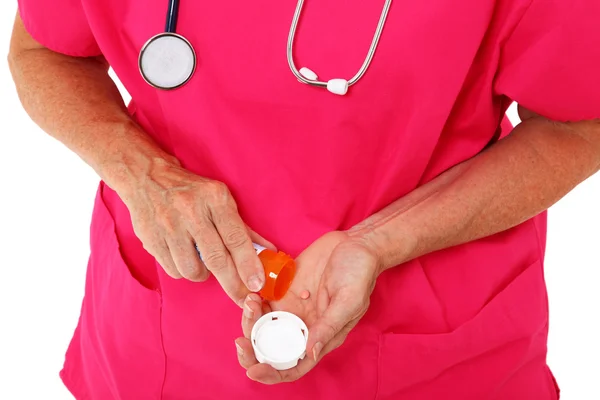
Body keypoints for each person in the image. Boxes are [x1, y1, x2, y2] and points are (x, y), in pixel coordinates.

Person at [7, 0, 600, 398]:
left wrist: (380, 242)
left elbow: (579, 124)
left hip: (429, 350)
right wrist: (143, 173)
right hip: (165, 336)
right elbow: (44, 51)